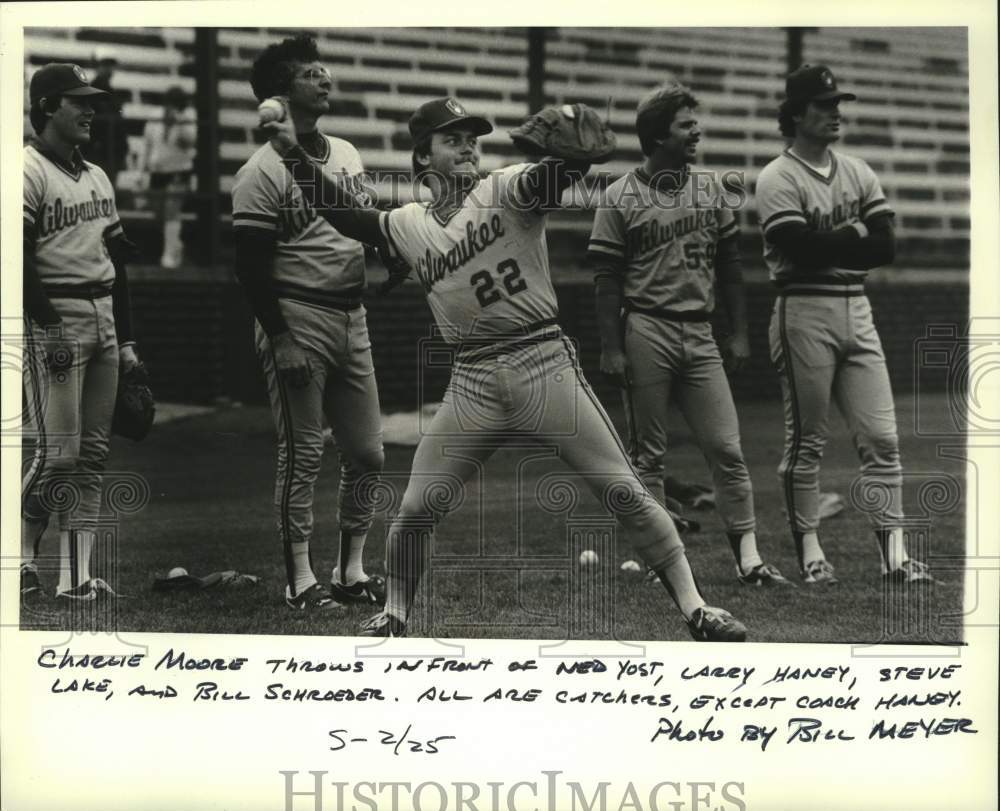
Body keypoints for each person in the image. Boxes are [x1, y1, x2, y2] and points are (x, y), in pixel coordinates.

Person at [263, 95, 749, 641]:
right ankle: (395, 614)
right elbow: (345, 214)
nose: (468, 147)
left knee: (621, 488)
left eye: (473, 138)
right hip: (471, 380)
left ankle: (697, 608)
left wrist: (571, 158)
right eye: (453, 139)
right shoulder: (408, 224)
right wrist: (291, 154)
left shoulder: (505, 187)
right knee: (418, 506)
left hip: (541, 360)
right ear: (423, 158)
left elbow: (552, 177)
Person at [588, 82, 790, 587]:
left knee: (726, 447)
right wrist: (612, 347)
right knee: (649, 455)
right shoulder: (618, 196)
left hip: (699, 332)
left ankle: (750, 559)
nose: (696, 130)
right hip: (646, 327)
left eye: (695, 121)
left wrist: (739, 332)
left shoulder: (711, 188)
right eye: (685, 123)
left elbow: (731, 266)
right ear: (658, 136)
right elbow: (606, 280)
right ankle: (665, 564)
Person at [755, 64, 934, 585]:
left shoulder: (857, 170)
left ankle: (895, 556)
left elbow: (886, 247)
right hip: (802, 309)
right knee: (806, 441)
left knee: (882, 438)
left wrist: (841, 238)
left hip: (858, 308)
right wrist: (853, 233)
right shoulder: (778, 176)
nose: (835, 112)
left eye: (837, 103)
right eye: (824, 104)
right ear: (795, 114)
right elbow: (798, 248)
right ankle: (811, 552)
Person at [231, 35, 386, 613]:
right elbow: (248, 268)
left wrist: (387, 254)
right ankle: (300, 579)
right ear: (280, 93)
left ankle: (351, 570)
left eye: (323, 68)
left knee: (368, 454)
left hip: (352, 314)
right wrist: (281, 336)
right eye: (309, 72)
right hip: (297, 314)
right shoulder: (260, 170)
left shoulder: (345, 151)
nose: (323, 78)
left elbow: (356, 224)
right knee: (302, 453)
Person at [21, 63, 140, 603]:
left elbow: (119, 261)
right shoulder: (24, 169)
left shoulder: (96, 174)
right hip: (57, 314)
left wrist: (130, 342)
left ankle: (75, 577)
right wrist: (48, 328)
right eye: (78, 100)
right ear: (48, 106)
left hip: (104, 318)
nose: (90, 109)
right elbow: (16, 259)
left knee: (92, 456)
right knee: (57, 455)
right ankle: (20, 557)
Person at [137, 85, 196, 268]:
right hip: (157, 171)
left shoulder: (187, 117)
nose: (172, 108)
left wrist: (178, 122)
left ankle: (169, 257)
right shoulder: (155, 116)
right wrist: (141, 171)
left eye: (176, 105)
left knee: (172, 209)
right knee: (160, 213)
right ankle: (176, 245)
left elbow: (190, 142)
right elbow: (146, 145)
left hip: (179, 170)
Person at [84, 56, 129, 189]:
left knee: (104, 188)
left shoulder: (109, 91)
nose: (109, 70)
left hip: (110, 149)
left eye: (110, 66)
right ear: (98, 67)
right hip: (99, 149)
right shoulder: (93, 91)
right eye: (105, 66)